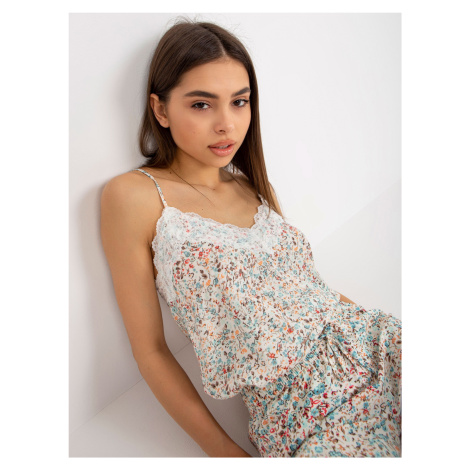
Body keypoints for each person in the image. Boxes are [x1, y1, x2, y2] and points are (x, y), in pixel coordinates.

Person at [100, 18, 401, 458]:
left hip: (374, 346)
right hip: (302, 413)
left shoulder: (251, 187)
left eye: (239, 102)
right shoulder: (134, 196)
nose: (227, 124)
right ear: (160, 110)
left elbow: (310, 291)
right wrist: (226, 454)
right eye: (201, 104)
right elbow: (151, 352)